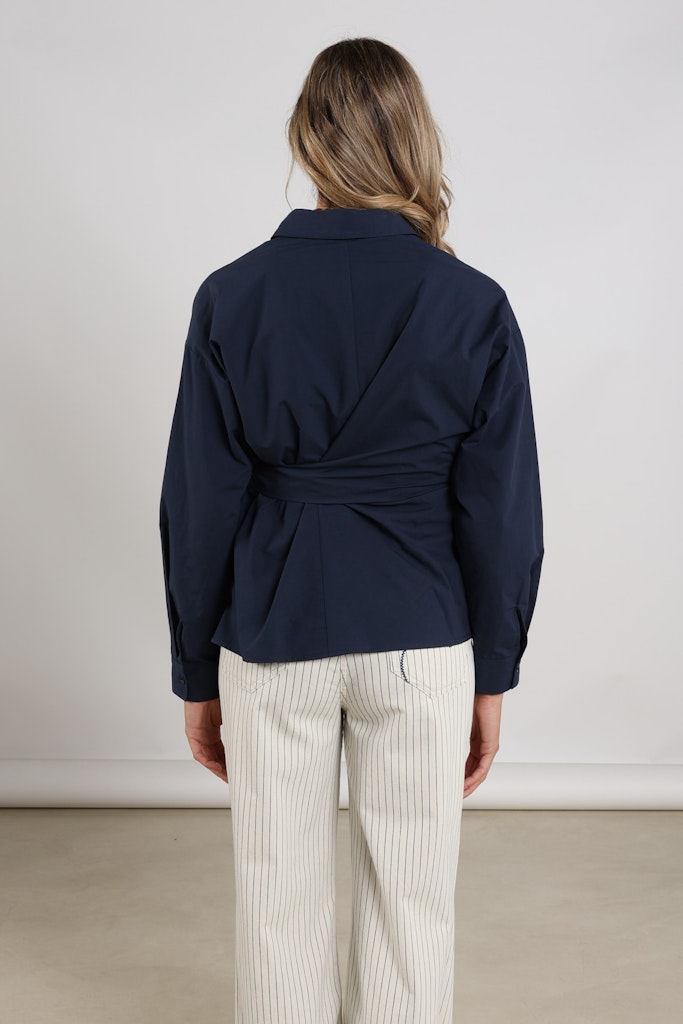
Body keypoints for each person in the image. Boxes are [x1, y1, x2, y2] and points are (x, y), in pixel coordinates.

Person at [159, 36, 544, 1024]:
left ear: (307, 141)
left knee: (276, 899)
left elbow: (199, 505)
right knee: (411, 904)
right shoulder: (474, 305)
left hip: (271, 632)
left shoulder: (231, 296)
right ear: (414, 141)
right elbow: (501, 515)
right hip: (420, 634)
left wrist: (196, 670)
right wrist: (492, 673)